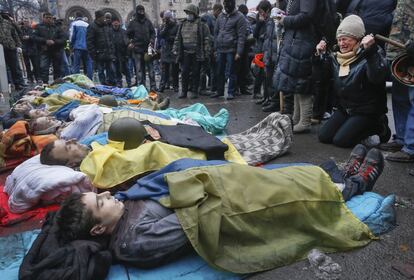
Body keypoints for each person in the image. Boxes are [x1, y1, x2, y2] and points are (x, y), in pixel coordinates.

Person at [52, 144, 384, 268]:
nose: (109, 194)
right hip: (233, 205)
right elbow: (199, 221)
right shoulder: (136, 240)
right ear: (99, 228)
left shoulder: (125, 207)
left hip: (222, 184)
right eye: (101, 201)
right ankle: (356, 182)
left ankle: (342, 174)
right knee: (292, 192)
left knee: (287, 175)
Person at [317, 15, 390, 148]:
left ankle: (380, 127)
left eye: (345, 39)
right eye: (339, 40)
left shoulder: (373, 52)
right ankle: (353, 126)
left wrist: (370, 52)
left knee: (341, 141)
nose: (341, 44)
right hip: (346, 108)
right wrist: (321, 56)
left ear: (357, 39)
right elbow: (321, 78)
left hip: (366, 111)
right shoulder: (337, 56)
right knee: (324, 136)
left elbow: (377, 77)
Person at [378, 0, 414, 163]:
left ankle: (411, 147)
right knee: (399, 97)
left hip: (411, 49)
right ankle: (401, 139)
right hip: (398, 50)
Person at [173, 4, 210, 99]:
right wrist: (175, 49)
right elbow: (178, 38)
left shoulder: (202, 24)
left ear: (194, 13)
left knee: (196, 72)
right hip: (185, 53)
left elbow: (206, 39)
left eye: (190, 13)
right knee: (184, 72)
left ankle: (194, 91)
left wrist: (206, 51)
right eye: (187, 13)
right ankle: (184, 91)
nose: (188, 15)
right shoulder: (182, 24)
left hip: (197, 52)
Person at [212, 0, 247, 100]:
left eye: (228, 5)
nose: (226, 7)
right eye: (225, 5)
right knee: (219, 71)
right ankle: (219, 91)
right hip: (220, 48)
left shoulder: (240, 17)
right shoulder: (220, 16)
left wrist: (239, 52)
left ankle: (231, 92)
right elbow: (216, 33)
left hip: (232, 49)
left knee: (232, 72)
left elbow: (241, 36)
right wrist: (215, 48)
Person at [127, 5, 157, 91]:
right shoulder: (132, 23)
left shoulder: (148, 22)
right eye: (139, 11)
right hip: (137, 49)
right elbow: (126, 34)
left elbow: (153, 33)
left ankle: (153, 87)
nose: (141, 12)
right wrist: (129, 42)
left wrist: (152, 40)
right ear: (137, 12)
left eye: (142, 11)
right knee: (139, 70)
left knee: (151, 69)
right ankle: (141, 87)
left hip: (148, 49)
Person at [33, 12, 66, 84]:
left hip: (56, 50)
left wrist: (54, 41)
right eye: (47, 18)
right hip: (44, 50)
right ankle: (45, 83)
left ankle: (57, 83)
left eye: (50, 18)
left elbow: (63, 39)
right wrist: (45, 41)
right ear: (43, 18)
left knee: (57, 68)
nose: (48, 19)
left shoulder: (57, 27)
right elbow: (34, 37)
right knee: (44, 67)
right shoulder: (38, 27)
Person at [87, 10, 116, 85]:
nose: (104, 19)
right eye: (103, 17)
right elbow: (89, 42)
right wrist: (94, 54)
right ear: (99, 18)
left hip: (108, 54)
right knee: (100, 71)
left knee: (111, 70)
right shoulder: (92, 27)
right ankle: (103, 86)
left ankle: (111, 84)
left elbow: (110, 39)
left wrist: (112, 50)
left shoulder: (106, 26)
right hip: (99, 54)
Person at [0, 9, 26, 90]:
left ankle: (19, 83)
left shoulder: (7, 22)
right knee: (2, 68)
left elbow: (15, 34)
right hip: (0, 50)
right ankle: (6, 85)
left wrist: (19, 45)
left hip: (10, 47)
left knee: (15, 67)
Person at [159, 10, 179, 93]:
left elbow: (178, 37)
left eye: (167, 18)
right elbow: (161, 35)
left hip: (174, 48)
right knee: (165, 70)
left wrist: (170, 37)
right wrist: (166, 26)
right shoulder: (164, 25)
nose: (166, 20)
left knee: (175, 69)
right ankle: (162, 85)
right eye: (165, 18)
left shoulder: (177, 25)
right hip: (166, 49)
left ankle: (175, 86)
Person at [70, 12, 93, 79]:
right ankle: (89, 78)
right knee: (88, 63)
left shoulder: (74, 24)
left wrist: (71, 45)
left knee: (76, 64)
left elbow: (72, 36)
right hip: (87, 47)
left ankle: (77, 79)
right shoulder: (87, 24)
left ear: (76, 16)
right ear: (82, 17)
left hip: (77, 47)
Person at [112, 17, 132, 88]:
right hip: (115, 54)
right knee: (117, 70)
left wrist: (127, 52)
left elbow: (127, 41)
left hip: (124, 54)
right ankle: (119, 83)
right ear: (112, 23)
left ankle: (129, 83)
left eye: (117, 22)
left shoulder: (123, 31)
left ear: (119, 23)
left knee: (127, 70)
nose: (116, 24)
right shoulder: (110, 32)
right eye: (114, 23)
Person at [21, 18, 40, 84]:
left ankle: (37, 77)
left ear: (29, 22)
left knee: (36, 65)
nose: (26, 23)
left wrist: (29, 37)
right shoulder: (21, 30)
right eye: (25, 22)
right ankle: (30, 78)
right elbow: (19, 37)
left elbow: (35, 38)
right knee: (27, 65)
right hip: (25, 50)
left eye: (27, 22)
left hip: (33, 49)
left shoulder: (33, 30)